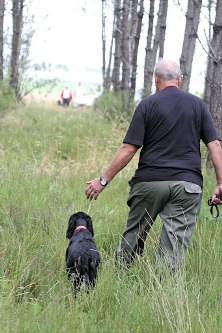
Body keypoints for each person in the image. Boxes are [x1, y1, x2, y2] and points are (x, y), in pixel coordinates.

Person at [85, 59, 222, 272]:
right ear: (180, 79)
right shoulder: (198, 105)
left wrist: (102, 181)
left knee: (134, 235)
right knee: (173, 246)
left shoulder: (147, 105)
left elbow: (129, 149)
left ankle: (121, 278)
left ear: (155, 79)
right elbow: (214, 144)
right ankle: (164, 289)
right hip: (187, 185)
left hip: (149, 183)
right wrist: (220, 183)